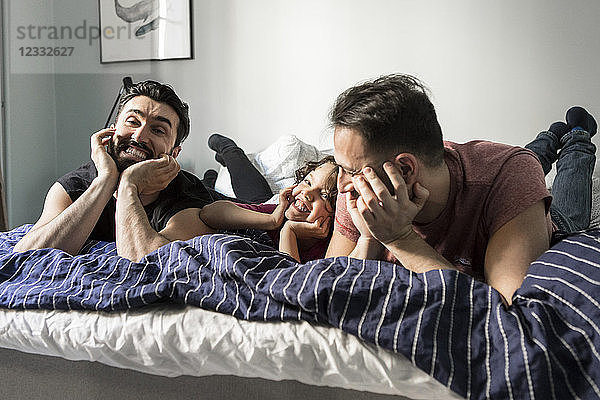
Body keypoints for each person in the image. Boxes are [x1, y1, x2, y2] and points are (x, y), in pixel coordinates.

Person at [325, 73, 596, 305]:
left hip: (544, 218)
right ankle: (547, 140)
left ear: (405, 170)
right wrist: (370, 238)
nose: (342, 184)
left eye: (351, 171)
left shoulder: (506, 174)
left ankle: (577, 136)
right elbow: (325, 287)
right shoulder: (357, 185)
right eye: (341, 168)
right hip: (505, 172)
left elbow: (506, 308)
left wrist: (399, 238)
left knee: (560, 193)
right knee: (530, 160)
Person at [14, 80, 216, 261]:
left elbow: (150, 262)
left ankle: (223, 161)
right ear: (111, 131)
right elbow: (26, 254)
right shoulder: (75, 185)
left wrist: (129, 184)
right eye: (133, 122)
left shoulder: (189, 196)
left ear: (174, 152)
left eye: (157, 130)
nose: (140, 136)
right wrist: (106, 180)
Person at [200, 156, 338, 262]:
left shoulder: (328, 250)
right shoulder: (276, 213)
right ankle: (228, 151)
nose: (307, 193)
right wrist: (271, 220)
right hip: (276, 206)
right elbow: (207, 213)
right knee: (206, 195)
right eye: (307, 182)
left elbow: (291, 280)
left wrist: (289, 231)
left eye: (324, 195)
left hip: (274, 206)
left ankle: (210, 178)